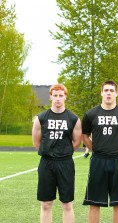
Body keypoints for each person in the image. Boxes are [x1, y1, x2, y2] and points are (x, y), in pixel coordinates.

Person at [82, 80, 118, 223]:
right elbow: (84, 135)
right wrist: (95, 148)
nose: (108, 93)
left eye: (112, 90)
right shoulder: (91, 114)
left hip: (117, 160)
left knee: (117, 203)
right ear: (101, 92)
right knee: (94, 203)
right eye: (106, 90)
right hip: (98, 160)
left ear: (116, 93)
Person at [32, 83, 82, 223]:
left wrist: (63, 152)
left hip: (65, 163)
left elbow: (76, 142)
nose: (58, 98)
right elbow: (37, 142)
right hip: (47, 163)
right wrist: (49, 151)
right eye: (55, 96)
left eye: (61, 95)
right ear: (50, 97)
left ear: (65, 97)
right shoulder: (41, 118)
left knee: (67, 204)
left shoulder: (73, 119)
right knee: (46, 204)